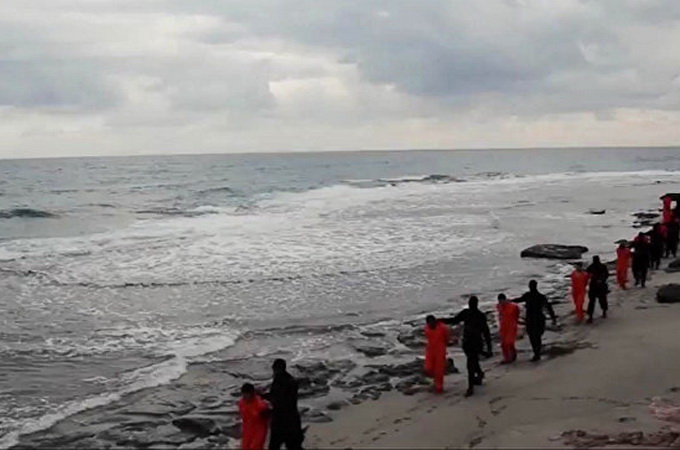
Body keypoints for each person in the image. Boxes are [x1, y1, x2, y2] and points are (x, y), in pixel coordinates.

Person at [442, 296, 492, 397]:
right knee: (473, 361)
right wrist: (440, 321)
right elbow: (486, 333)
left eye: (471, 303)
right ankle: (479, 374)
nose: (470, 305)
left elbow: (454, 320)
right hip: (469, 342)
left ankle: (471, 387)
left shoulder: (473, 314)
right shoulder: (475, 314)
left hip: (474, 342)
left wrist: (489, 348)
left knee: (470, 364)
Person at [513, 280, 557, 362]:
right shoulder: (540, 296)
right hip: (538, 319)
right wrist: (553, 318)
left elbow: (519, 300)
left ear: (529, 286)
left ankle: (537, 353)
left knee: (533, 337)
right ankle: (537, 353)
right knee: (536, 336)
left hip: (531, 319)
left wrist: (509, 301)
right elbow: (549, 307)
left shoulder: (528, 295)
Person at [266, 359, 304, 450]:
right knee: (294, 446)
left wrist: (265, 399)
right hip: (292, 420)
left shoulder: (279, 381)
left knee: (274, 446)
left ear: (276, 369)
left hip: (281, 421)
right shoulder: (291, 380)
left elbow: (277, 399)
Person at [424, 315, 451, 393]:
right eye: (429, 323)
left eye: (431, 322)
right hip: (430, 349)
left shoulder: (443, 328)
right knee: (428, 368)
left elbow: (447, 337)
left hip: (440, 349)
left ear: (435, 321)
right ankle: (435, 382)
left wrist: (445, 344)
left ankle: (439, 386)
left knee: (439, 369)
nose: (430, 324)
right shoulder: (426, 328)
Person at [239, 383, 270, 450]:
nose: (245, 397)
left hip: (259, 431)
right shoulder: (241, 402)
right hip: (247, 430)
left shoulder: (261, 405)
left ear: (252, 394)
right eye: (243, 395)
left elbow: (268, 419)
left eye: (246, 395)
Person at [496, 294, 520, 364]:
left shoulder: (513, 306)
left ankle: (511, 355)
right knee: (504, 343)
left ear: (504, 299)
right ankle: (507, 357)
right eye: (499, 301)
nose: (500, 302)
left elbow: (517, 314)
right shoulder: (499, 306)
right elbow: (500, 315)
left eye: (501, 301)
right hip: (503, 326)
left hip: (511, 326)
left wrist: (515, 321)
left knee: (509, 342)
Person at [586, 255, 609, 323]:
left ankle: (590, 316)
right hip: (601, 285)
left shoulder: (590, 267)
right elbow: (607, 275)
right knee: (602, 299)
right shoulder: (603, 266)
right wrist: (601, 280)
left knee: (591, 302)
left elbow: (587, 275)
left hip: (593, 286)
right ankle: (604, 312)